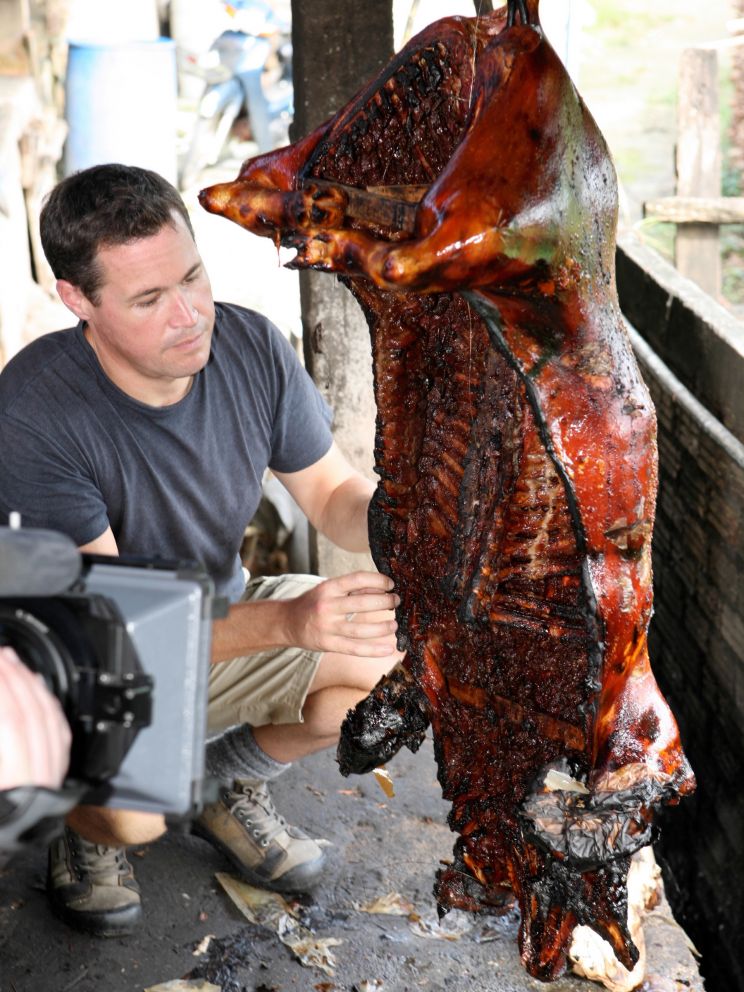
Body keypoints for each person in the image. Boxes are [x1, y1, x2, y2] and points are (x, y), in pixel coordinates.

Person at [0, 163, 402, 937]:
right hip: (80, 664)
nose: (189, 315)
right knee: (133, 816)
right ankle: (80, 836)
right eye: (150, 300)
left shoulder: (248, 345)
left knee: (385, 668)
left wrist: (406, 515)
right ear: (78, 302)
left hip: (218, 624)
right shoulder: (32, 417)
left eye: (193, 277)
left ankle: (219, 784)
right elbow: (114, 635)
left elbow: (330, 497)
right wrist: (289, 625)